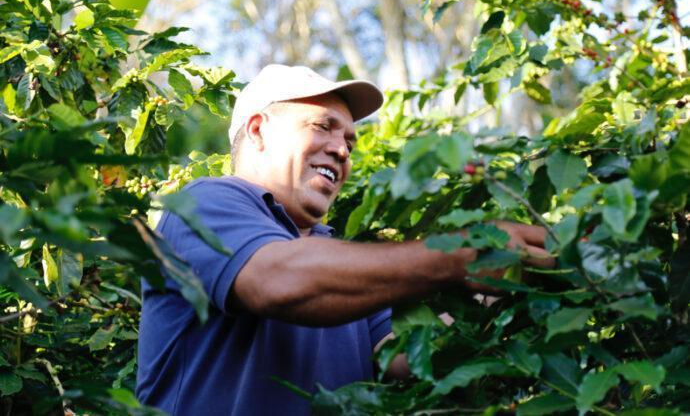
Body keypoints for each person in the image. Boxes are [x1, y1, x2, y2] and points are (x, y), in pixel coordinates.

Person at [135, 64, 554, 415]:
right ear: (259, 131)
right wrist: (457, 255)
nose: (342, 150)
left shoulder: (339, 262)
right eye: (323, 126)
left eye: (349, 141)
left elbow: (403, 355)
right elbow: (280, 281)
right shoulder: (204, 204)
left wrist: (506, 281)